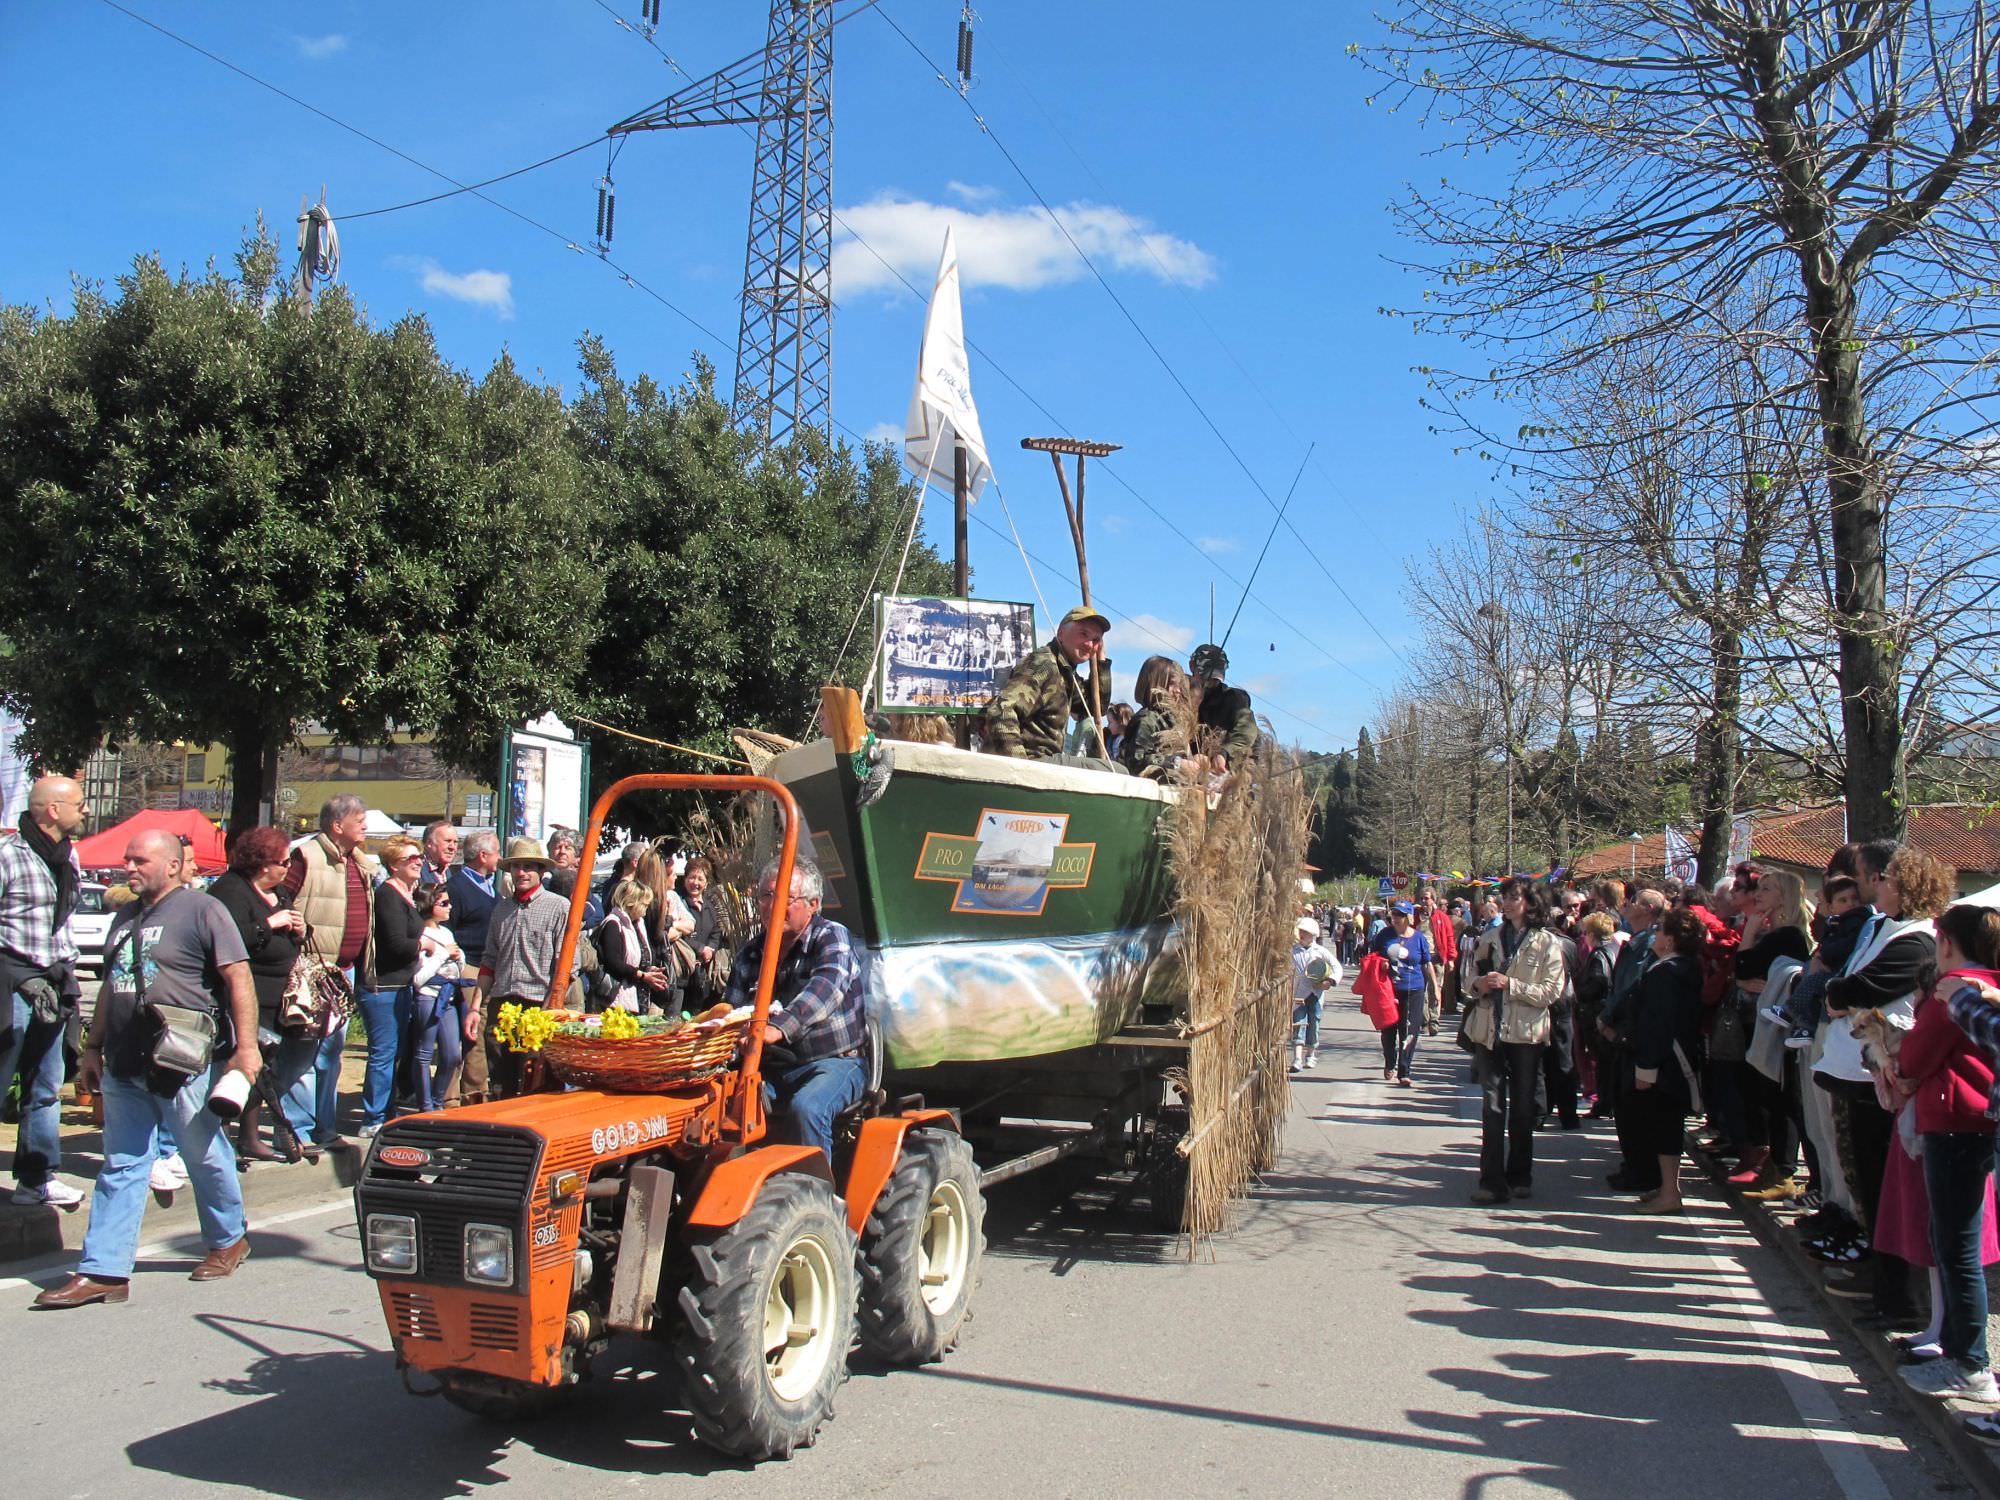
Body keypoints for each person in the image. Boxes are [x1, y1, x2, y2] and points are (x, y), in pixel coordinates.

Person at [32, 830, 259, 1308]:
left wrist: (246, 1049)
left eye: (140, 860)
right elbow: (115, 986)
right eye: (127, 859)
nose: (128, 867)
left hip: (180, 1061)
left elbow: (238, 976)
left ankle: (228, 1238)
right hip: (123, 1059)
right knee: (122, 1165)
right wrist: (93, 1050)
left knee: (201, 1151)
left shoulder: (203, 910)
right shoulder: (124, 917)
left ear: (173, 865)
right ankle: (105, 1271)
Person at [727, 858, 868, 1161]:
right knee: (717, 1104)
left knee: (807, 1109)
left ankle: (816, 1198)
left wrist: (778, 1027)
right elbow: (733, 1012)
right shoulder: (750, 954)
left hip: (832, 1063)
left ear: (813, 904)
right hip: (770, 1068)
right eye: (766, 896)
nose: (772, 906)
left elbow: (827, 988)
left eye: (785, 899)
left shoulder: (831, 937)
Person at [1, 774, 88, 1208]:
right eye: (79, 803)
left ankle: (36, 1179)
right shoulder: (8, 856)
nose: (85, 809)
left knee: (47, 1085)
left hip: (54, 983)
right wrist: (17, 976)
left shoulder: (68, 856)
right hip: (11, 983)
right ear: (53, 810)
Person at [207, 826, 307, 1161]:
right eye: (283, 861)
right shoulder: (230, 890)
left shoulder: (280, 892)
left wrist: (301, 929)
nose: (288, 867)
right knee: (237, 1066)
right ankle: (221, 1136)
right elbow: (227, 937)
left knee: (263, 1067)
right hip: (243, 993)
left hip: (277, 996)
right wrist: (271, 924)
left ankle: (249, 1136)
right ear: (263, 864)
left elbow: (291, 932)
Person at [1463, 878, 1566, 1205]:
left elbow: (1552, 992)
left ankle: (1520, 1174)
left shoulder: (1547, 943)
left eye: (1514, 898)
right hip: (1489, 1030)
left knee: (1522, 1108)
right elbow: (1468, 980)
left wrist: (1511, 985)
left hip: (1526, 1033)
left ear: (1531, 902)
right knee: (1491, 1106)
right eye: (1505, 898)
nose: (1507, 904)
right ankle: (1491, 1181)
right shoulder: (1490, 939)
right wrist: (1481, 983)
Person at [280, 794, 375, 1146]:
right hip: (310, 970)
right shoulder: (305, 857)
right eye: (359, 819)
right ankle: (296, 1130)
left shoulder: (359, 862)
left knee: (331, 1054)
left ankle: (325, 1127)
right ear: (337, 826)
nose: (365, 825)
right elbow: (281, 901)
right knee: (302, 1053)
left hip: (342, 973)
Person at [1726, 867, 1813, 1199]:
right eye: (1759, 888)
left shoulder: (1786, 935)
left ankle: (1783, 1170)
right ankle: (1775, 1168)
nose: (1758, 894)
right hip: (1762, 1019)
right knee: (1765, 1095)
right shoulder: (1775, 932)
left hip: (1777, 1024)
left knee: (1778, 1097)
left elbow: (1745, 966)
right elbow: (1742, 973)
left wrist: (1748, 931)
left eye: (1767, 888)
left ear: (1784, 896)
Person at [1623, 906, 1710, 1215]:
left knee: (1665, 1126)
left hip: (1666, 1061)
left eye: (1660, 932)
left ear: (1670, 940)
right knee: (1664, 1124)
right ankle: (1665, 1186)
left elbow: (1657, 1024)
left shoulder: (1666, 973)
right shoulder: (1684, 968)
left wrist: (1646, 1068)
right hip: (1675, 1057)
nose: (1655, 936)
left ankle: (1670, 1193)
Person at [477, 837, 577, 1098]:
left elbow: (567, 966)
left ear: (542, 871)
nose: (521, 873)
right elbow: (489, 960)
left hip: (538, 1004)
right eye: (516, 867)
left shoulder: (559, 907)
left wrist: (550, 1009)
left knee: (537, 1081)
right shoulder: (501, 909)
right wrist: (475, 1007)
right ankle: (501, 1132)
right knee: (500, 1079)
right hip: (502, 1003)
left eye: (528, 867)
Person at [984, 605, 1115, 761]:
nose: (1089, 644)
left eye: (1095, 640)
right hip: (1035, 761)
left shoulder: (1065, 671)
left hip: (1047, 762)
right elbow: (1001, 711)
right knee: (1115, 771)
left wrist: (1102, 663)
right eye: (1083, 634)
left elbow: (1096, 707)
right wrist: (1020, 766)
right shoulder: (1044, 665)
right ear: (1061, 633)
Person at [360, 836, 426, 1137]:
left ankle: (386, 1110)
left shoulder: (406, 894)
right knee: (383, 1053)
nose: (418, 861)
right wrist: (424, 944)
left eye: (419, 856)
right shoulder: (388, 895)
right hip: (383, 986)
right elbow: (396, 943)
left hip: (401, 984)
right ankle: (373, 1117)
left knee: (395, 1051)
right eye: (410, 858)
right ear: (393, 865)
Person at [446, 831, 501, 1103]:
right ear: (483, 855)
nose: (500, 858)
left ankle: (479, 1088)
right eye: (497, 852)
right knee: (473, 1035)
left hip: (489, 968)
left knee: (487, 1031)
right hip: (469, 967)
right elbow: (447, 926)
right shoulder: (456, 888)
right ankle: (471, 1093)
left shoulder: (493, 886)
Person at [408, 884, 465, 1113]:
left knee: (452, 1053)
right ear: (430, 906)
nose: (449, 907)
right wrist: (442, 955)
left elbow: (458, 967)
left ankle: (438, 1098)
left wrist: (459, 958)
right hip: (428, 997)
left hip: (448, 997)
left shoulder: (446, 933)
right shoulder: (422, 935)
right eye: (443, 903)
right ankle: (426, 1105)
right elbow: (419, 977)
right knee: (424, 1052)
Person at [1370, 901, 1434, 1086]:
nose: (1396, 918)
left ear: (1409, 917)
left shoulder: (1419, 938)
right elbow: (1371, 957)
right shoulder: (1385, 935)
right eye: (1394, 914)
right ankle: (1390, 1061)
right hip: (1389, 989)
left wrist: (1435, 989)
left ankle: (1404, 1070)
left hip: (1414, 988)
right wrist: (1381, 963)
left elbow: (1426, 963)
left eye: (1400, 915)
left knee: (1410, 1030)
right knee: (1389, 1030)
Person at [597, 877, 670, 1014]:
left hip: (638, 997)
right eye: (645, 905)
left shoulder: (637, 924)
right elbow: (613, 962)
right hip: (616, 1000)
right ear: (633, 903)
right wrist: (642, 975)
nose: (647, 910)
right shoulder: (613, 924)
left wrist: (648, 968)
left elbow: (638, 957)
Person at [1186, 643, 1258, 772]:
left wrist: (1225, 752)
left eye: (1215, 679)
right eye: (1206, 676)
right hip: (1185, 768)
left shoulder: (1233, 699)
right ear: (1192, 666)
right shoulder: (1178, 691)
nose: (1210, 683)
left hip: (1219, 773)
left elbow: (1246, 731)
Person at [1121, 656, 1194, 779]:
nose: (1178, 691)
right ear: (1155, 684)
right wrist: (1176, 763)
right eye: (1172, 684)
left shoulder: (1172, 720)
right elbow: (1136, 761)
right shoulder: (1147, 720)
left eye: (1179, 686)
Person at [1291, 916, 1341, 1071]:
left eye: (1305, 932)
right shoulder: (1292, 951)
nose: (1302, 934)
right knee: (1299, 1022)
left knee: (1314, 1023)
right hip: (1299, 992)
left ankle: (1310, 1054)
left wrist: (1329, 981)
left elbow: (1337, 967)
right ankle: (1297, 1058)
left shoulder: (1320, 951)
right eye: (1301, 931)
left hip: (1316, 994)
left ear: (1313, 934)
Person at [680, 856, 729, 1012]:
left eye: (700, 879)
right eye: (692, 877)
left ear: (706, 883)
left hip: (702, 972)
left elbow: (716, 932)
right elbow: (679, 934)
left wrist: (710, 950)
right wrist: (700, 948)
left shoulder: (709, 906)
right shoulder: (678, 902)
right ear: (685, 878)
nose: (695, 883)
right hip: (682, 970)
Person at [419, 820, 459, 889]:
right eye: (447, 841)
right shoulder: (415, 870)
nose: (452, 847)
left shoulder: (455, 874)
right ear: (429, 843)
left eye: (455, 842)